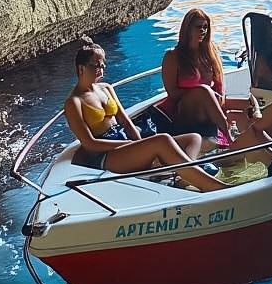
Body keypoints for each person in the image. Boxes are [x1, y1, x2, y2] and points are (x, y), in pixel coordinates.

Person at [64, 38, 224, 191]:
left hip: (125, 143)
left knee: (193, 138)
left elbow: (126, 123)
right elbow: (90, 144)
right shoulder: (74, 102)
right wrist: (130, 145)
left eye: (103, 65)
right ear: (81, 69)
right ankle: (211, 185)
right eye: (96, 66)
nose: (102, 69)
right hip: (106, 156)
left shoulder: (106, 88)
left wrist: (140, 144)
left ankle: (184, 175)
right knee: (162, 140)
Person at [160, 8, 257, 142]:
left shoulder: (210, 52)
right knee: (204, 91)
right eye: (198, 27)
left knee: (249, 105)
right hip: (183, 109)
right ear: (187, 28)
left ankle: (255, 137)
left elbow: (219, 86)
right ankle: (229, 134)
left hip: (209, 104)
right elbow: (173, 93)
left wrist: (214, 96)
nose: (203, 30)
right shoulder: (173, 56)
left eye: (205, 27)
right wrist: (203, 94)